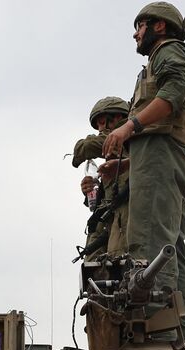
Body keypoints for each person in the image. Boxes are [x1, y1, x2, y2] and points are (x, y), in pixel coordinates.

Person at [102, 2, 185, 344]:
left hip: (163, 160)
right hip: (160, 160)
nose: (135, 33)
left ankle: (162, 344)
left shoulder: (169, 51)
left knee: (151, 249)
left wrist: (127, 128)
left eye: (140, 25)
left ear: (158, 26)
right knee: (172, 248)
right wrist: (127, 163)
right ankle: (182, 337)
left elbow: (171, 97)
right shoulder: (159, 58)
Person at [70, 96, 131, 258]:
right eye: (99, 125)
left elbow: (85, 147)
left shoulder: (128, 140)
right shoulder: (112, 157)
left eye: (104, 122)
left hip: (126, 224)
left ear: (119, 118)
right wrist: (93, 192)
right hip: (110, 225)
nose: (101, 129)